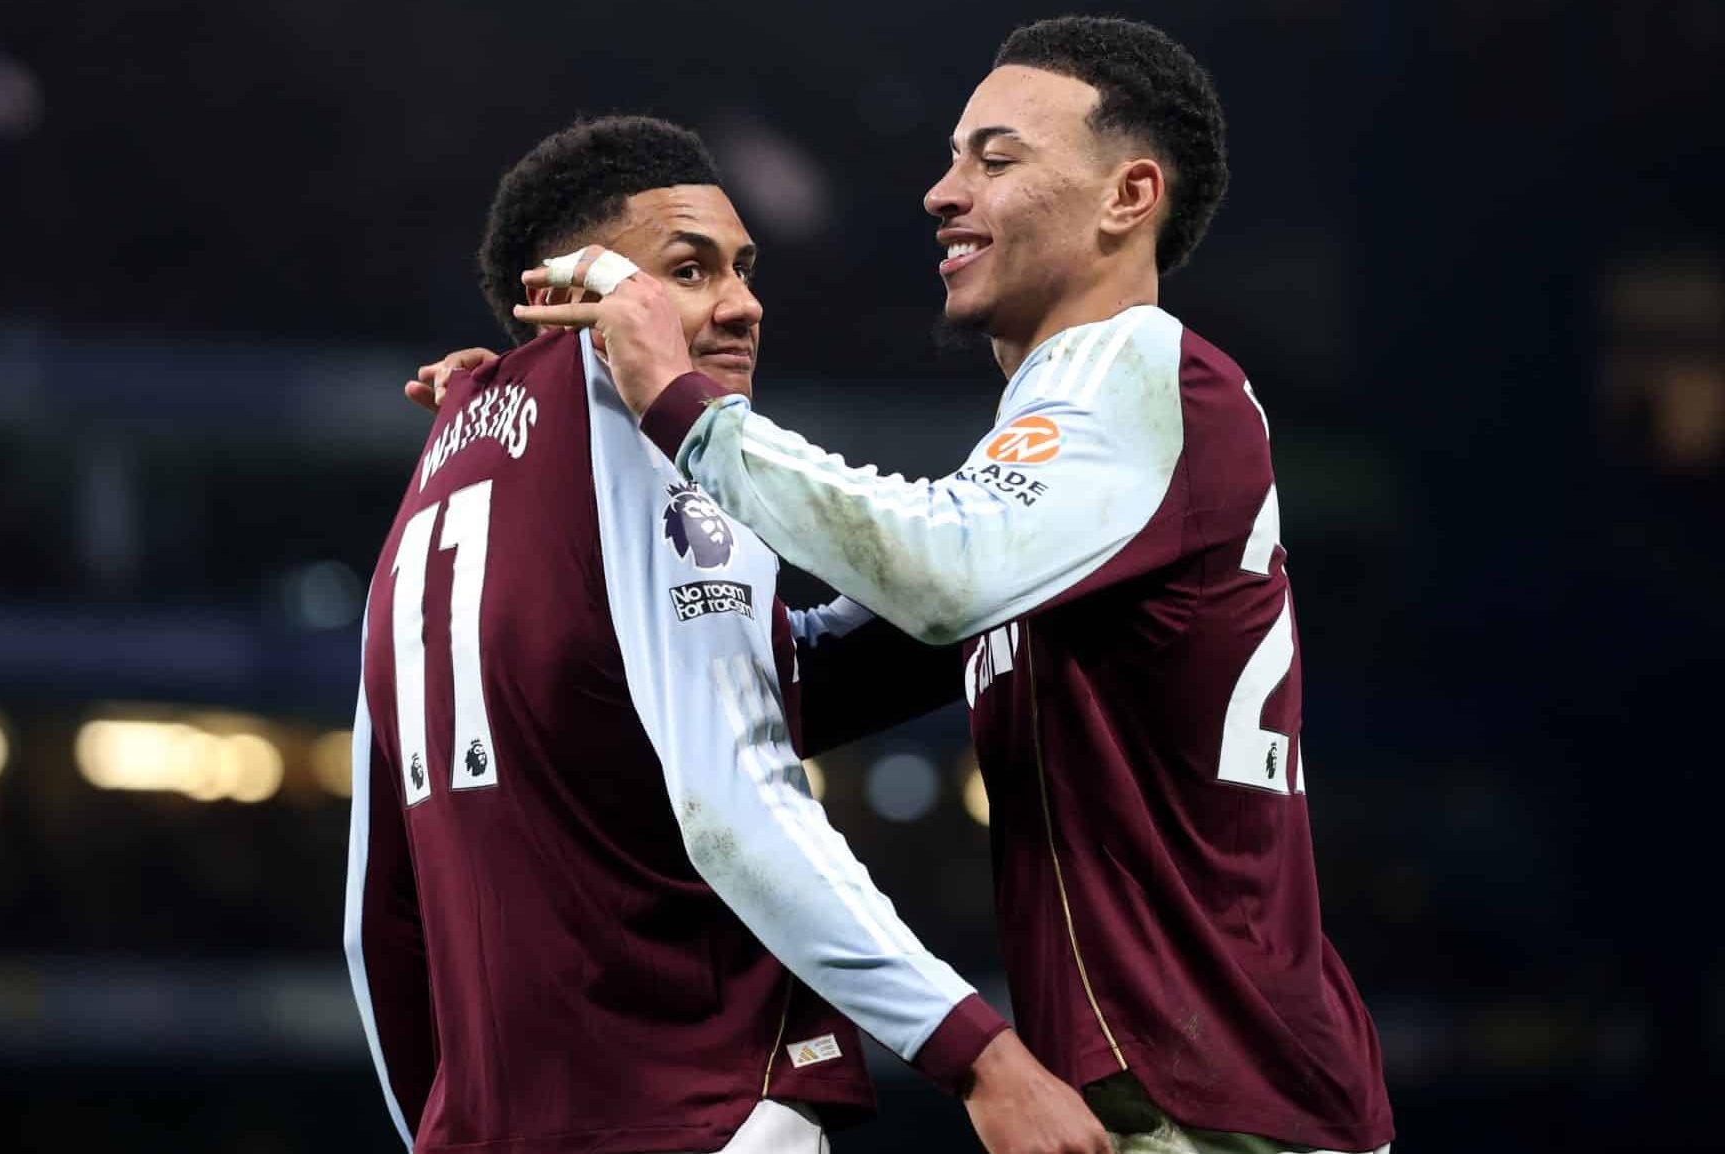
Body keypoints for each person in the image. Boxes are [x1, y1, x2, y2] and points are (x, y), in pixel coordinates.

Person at [501, 18, 1396, 1154]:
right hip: (1181, 1092)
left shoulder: (1147, 371)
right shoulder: (1063, 470)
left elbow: (930, 569)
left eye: (994, 157)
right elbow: (793, 678)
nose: (939, 191)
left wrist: (681, 404)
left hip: (1225, 1101)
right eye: (950, 157)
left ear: (1127, 195)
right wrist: (536, 428)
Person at [343, 114, 1109, 1154]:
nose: (742, 302)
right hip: (697, 1112)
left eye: (743, 267)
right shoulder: (649, 431)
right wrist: (978, 1053)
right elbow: (732, 797)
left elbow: (373, 920)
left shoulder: (433, 477)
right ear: (570, 284)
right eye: (688, 268)